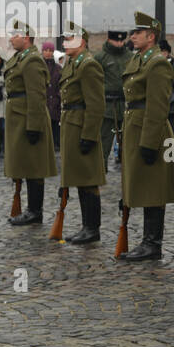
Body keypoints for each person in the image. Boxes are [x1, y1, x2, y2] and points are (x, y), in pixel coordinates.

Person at [119, 12, 174, 261]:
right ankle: (148, 241)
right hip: (137, 126)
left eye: (138, 32)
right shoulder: (141, 59)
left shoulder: (156, 62)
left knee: (154, 186)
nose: (132, 36)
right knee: (145, 184)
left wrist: (148, 142)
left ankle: (152, 243)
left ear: (151, 36)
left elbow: (158, 106)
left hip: (151, 130)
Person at [2, 20, 58, 225]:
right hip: (18, 117)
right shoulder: (21, 58)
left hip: (27, 117)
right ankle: (31, 209)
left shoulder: (32, 61)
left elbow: (36, 96)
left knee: (33, 166)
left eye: (14, 35)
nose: (10, 38)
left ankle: (35, 211)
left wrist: (34, 126)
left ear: (26, 38)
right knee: (25, 164)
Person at [55, 22, 106, 243]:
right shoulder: (72, 63)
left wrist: (89, 135)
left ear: (82, 42)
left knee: (88, 179)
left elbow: (96, 104)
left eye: (70, 39)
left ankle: (92, 228)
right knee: (78, 178)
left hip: (82, 127)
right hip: (70, 124)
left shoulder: (88, 65)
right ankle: (87, 226)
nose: (65, 43)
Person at [95, 30, 132, 169]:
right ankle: (100, 171)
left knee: (129, 143)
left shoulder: (130, 57)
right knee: (103, 142)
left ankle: (129, 173)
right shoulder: (100, 57)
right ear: (109, 40)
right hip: (107, 105)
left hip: (126, 104)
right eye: (116, 41)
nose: (119, 44)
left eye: (122, 41)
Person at [41, 41, 62, 151]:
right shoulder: (39, 67)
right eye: (46, 50)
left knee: (55, 127)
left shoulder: (58, 68)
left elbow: (61, 84)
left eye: (50, 51)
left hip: (55, 103)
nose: (48, 53)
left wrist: (58, 97)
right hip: (43, 103)